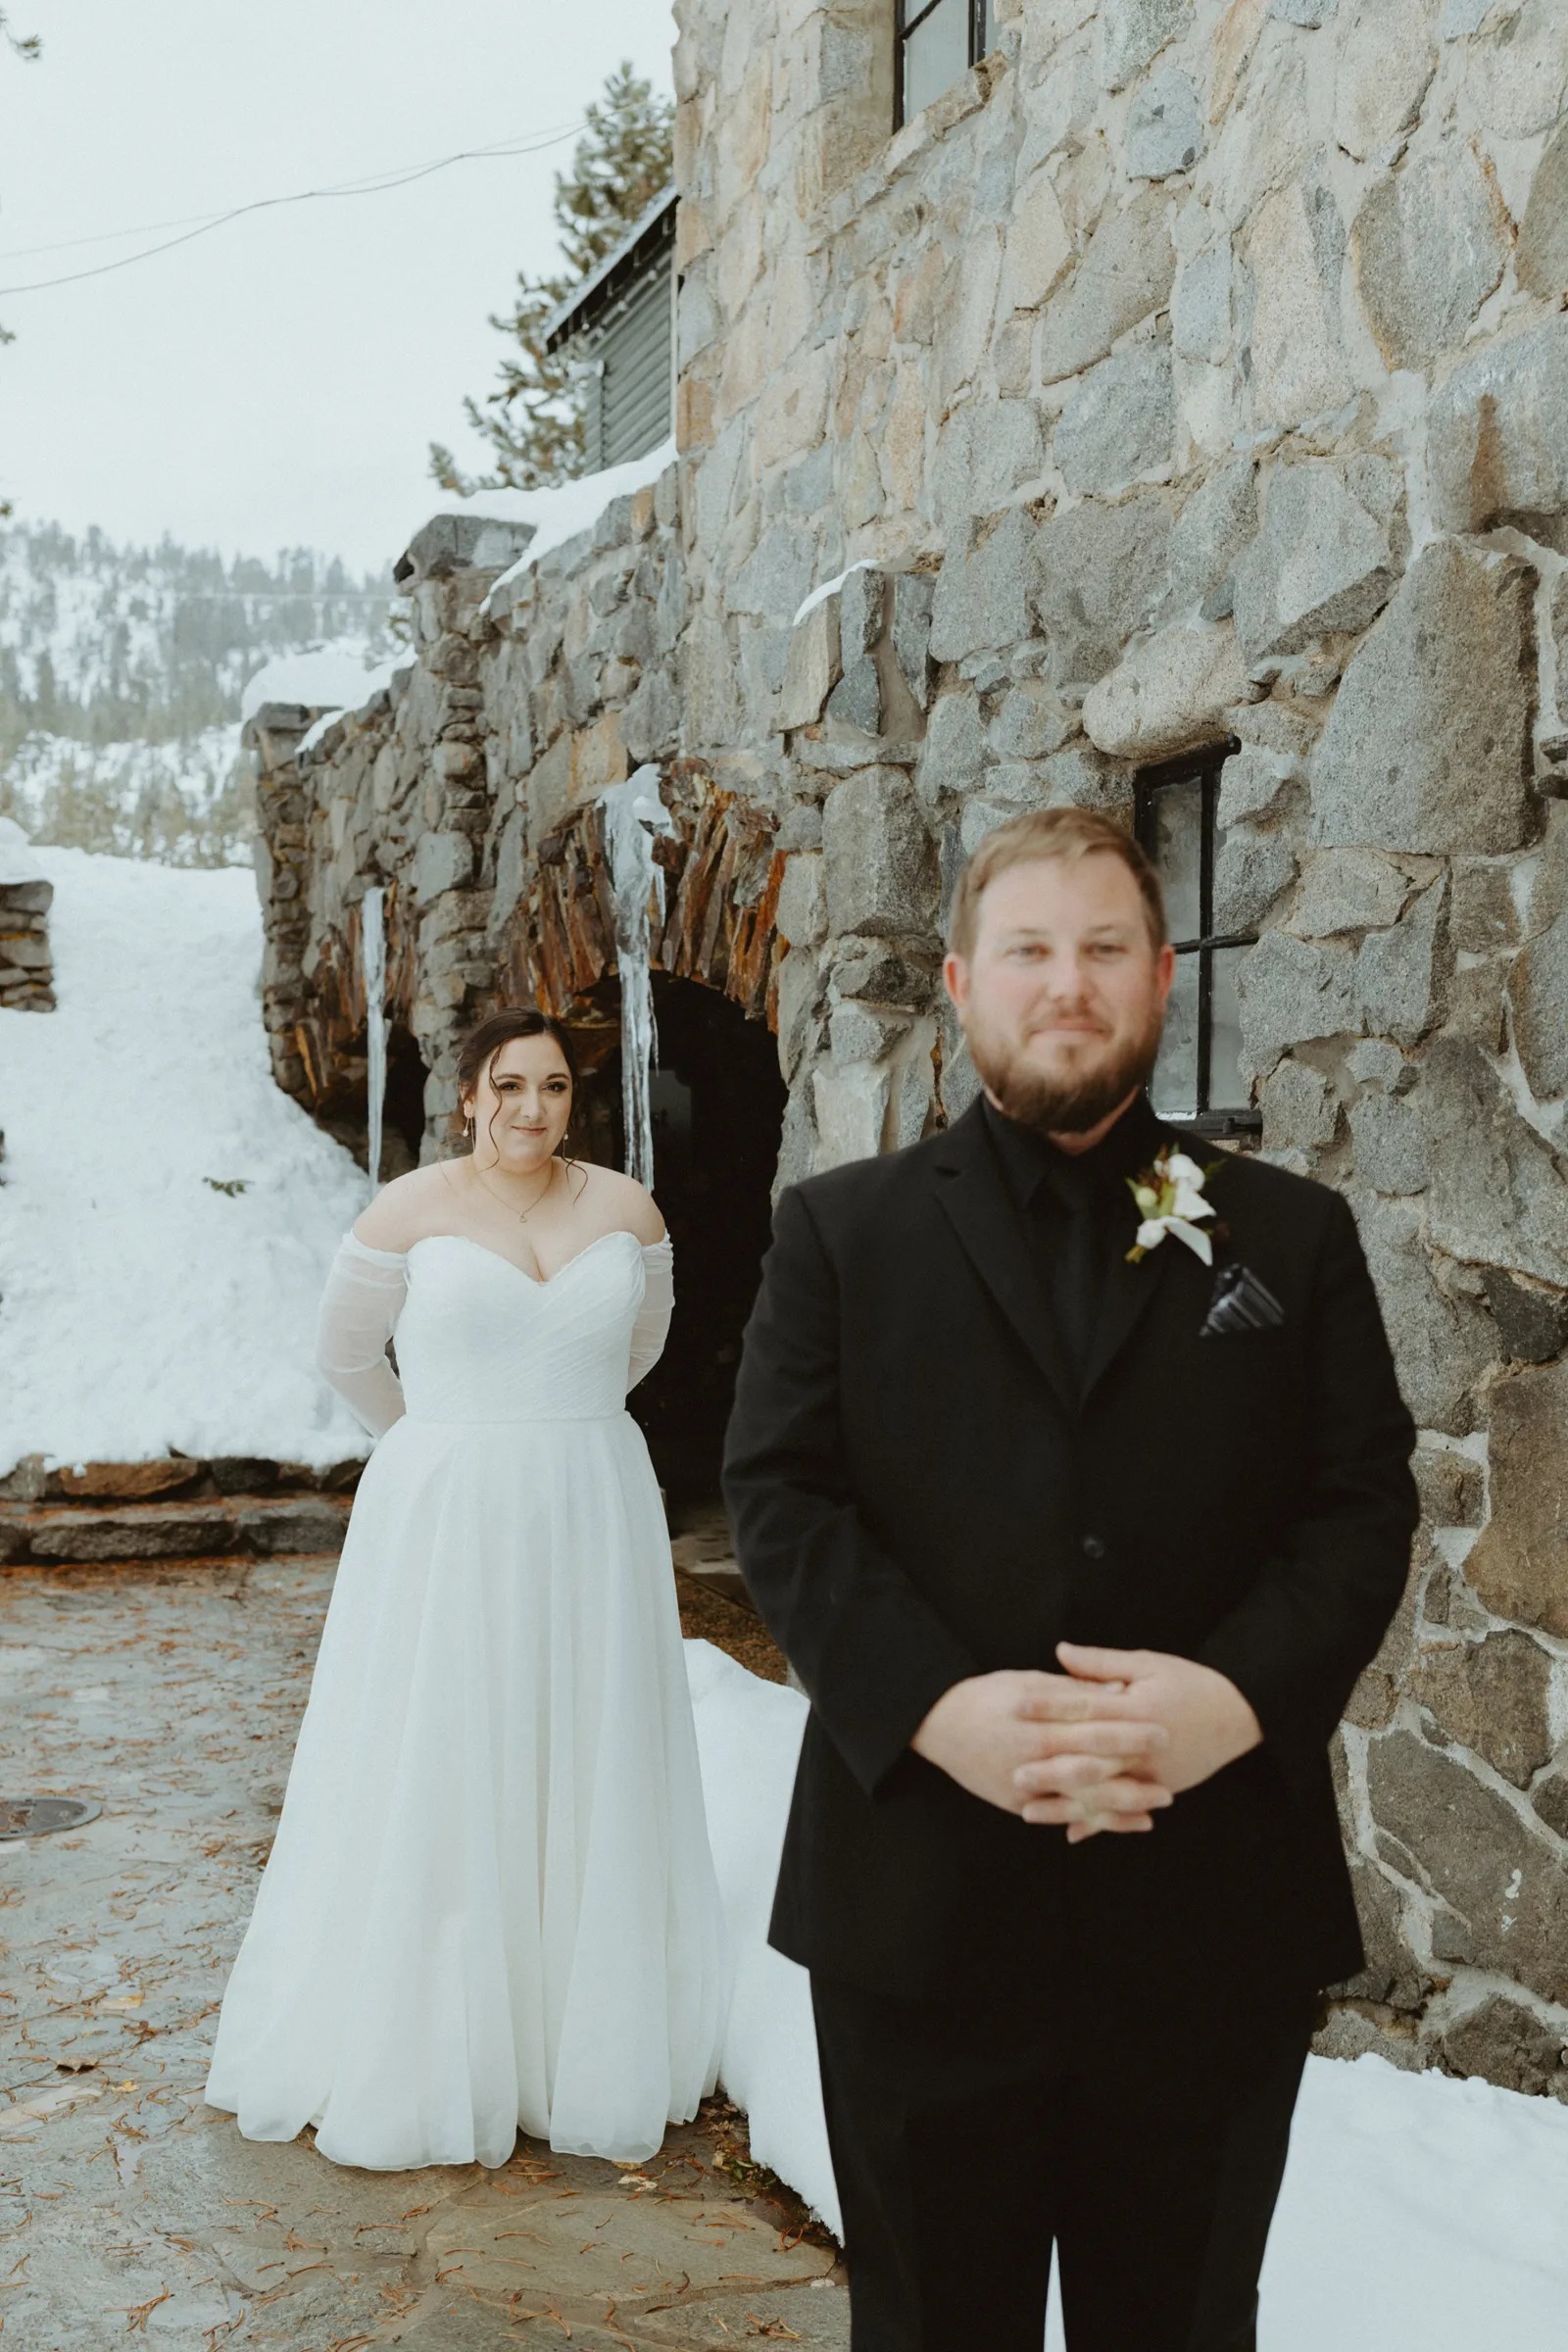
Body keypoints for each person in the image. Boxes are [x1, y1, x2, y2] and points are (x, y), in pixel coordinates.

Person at [722, 807, 1418, 2350]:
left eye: (1105, 948)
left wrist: (1233, 1702)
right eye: (1030, 950)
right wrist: (937, 1709)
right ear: (964, 984)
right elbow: (780, 1495)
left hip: (1211, 1910)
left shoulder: (1290, 1240)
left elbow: (1361, 1508)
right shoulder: (841, 1235)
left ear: (1164, 978)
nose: (1068, 983)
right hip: (919, 1910)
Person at [206, 1007, 723, 2171]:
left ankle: (576, 2032)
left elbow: (639, 1347)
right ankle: (443, 2036)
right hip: (446, 1510)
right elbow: (346, 1354)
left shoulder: (626, 1211)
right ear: (471, 1097)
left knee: (586, 1737)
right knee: (453, 1740)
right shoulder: (410, 1208)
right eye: (509, 1086)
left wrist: (556, 1425)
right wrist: (436, 1444)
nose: (531, 1109)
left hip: (592, 1498)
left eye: (552, 1087)